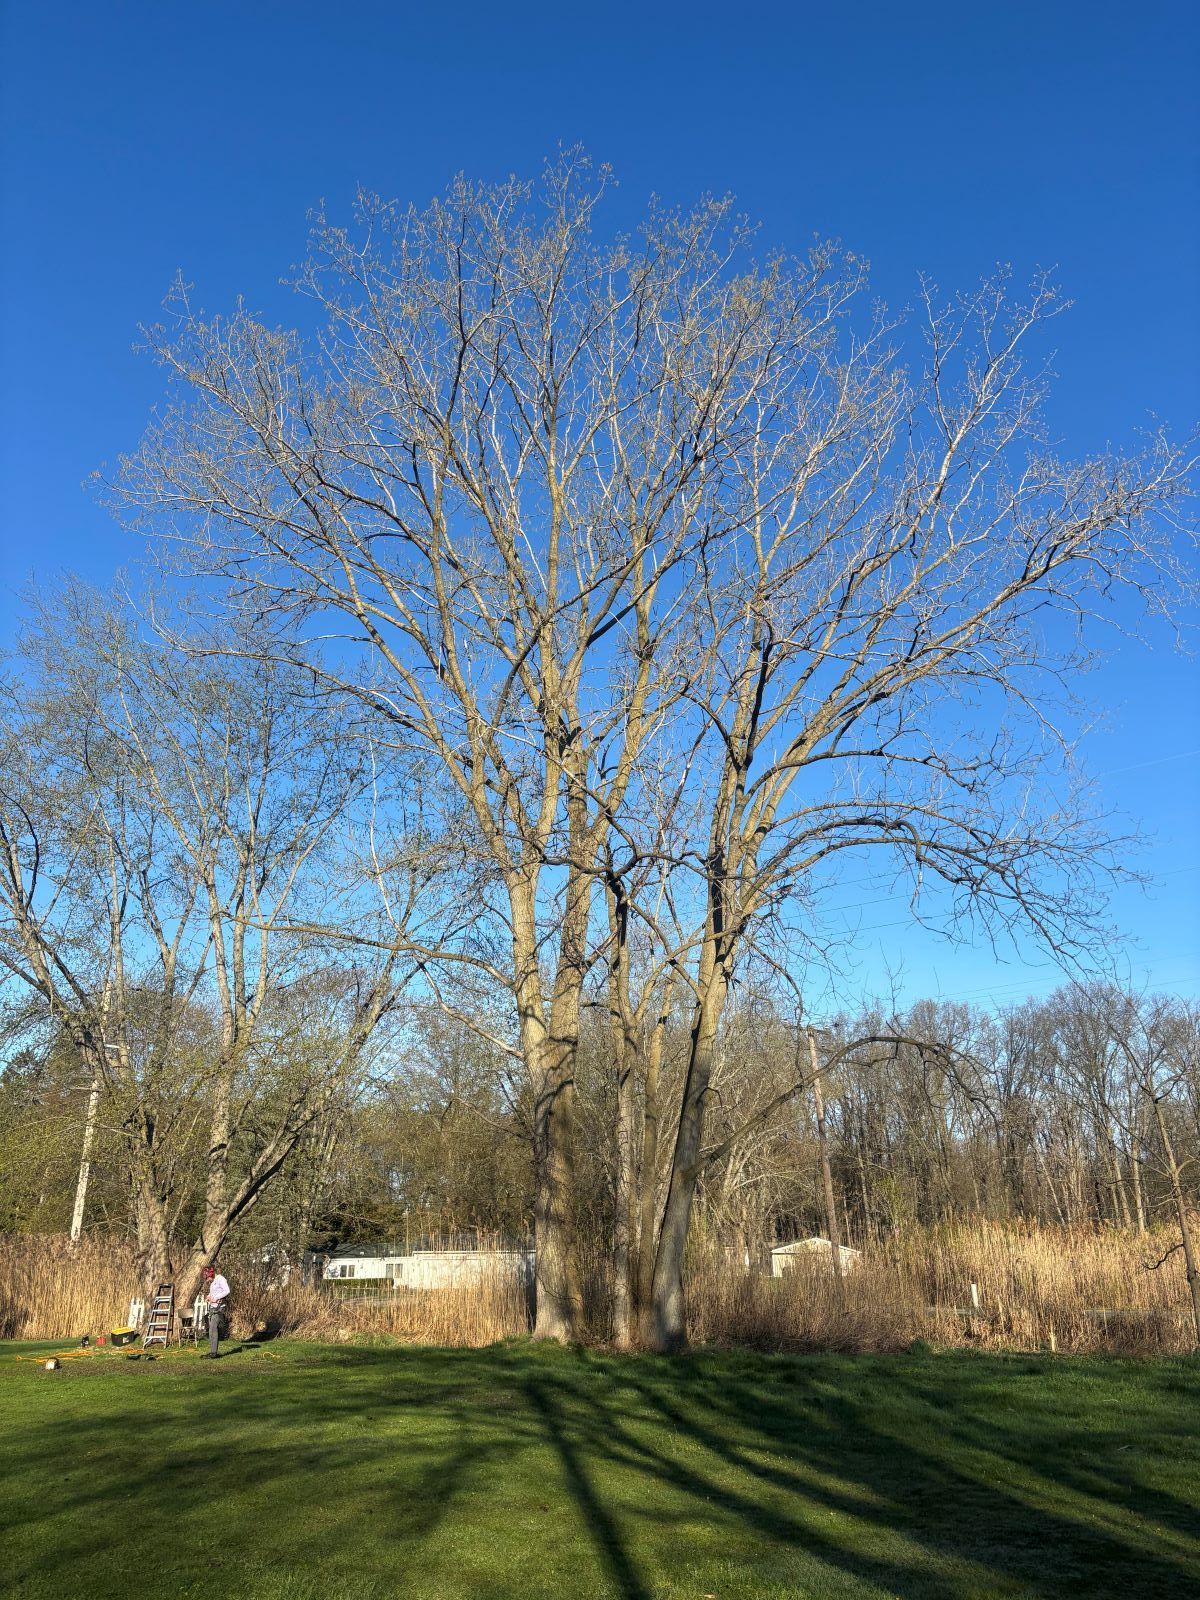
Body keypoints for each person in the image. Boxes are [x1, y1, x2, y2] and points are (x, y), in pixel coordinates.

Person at [203, 1265, 231, 1357]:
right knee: (211, 1330)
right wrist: (209, 1297)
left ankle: (214, 1353)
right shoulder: (213, 1282)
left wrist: (216, 1298)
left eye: (207, 1278)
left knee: (213, 1329)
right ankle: (212, 1351)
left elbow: (227, 1291)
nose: (207, 1280)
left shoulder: (220, 1279)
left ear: (211, 1274)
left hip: (219, 1308)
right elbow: (213, 1293)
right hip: (212, 1308)